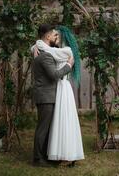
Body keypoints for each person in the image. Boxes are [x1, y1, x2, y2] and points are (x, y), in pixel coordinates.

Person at [33, 25, 85, 166]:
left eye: (57, 36)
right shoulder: (46, 55)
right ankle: (38, 158)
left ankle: (49, 155)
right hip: (47, 94)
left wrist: (36, 45)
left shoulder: (61, 51)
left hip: (56, 92)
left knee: (53, 126)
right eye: (54, 35)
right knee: (44, 128)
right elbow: (54, 74)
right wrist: (36, 46)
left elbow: (50, 50)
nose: (56, 38)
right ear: (48, 36)